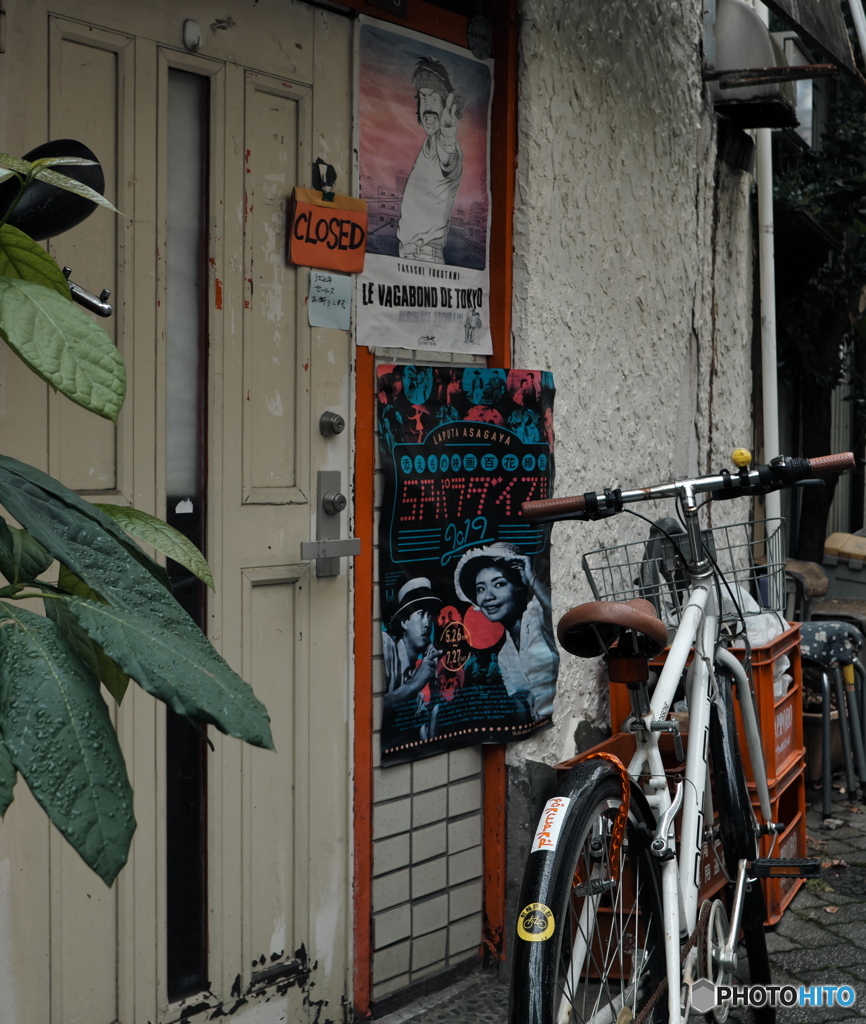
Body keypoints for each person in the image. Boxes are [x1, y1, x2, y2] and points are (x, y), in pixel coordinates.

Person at [454, 543, 559, 719]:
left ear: (519, 586)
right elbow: (522, 708)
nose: (488, 597)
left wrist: (531, 580)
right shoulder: (504, 655)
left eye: (499, 584)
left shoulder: (537, 615)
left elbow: (556, 612)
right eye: (481, 588)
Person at [397, 56, 464, 263]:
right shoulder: (426, 146)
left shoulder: (445, 146)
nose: (426, 104)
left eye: (434, 98)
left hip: (423, 257)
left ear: (446, 105)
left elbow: (447, 158)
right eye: (423, 97)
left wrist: (448, 134)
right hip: (409, 255)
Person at [381, 577, 443, 745]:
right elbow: (372, 708)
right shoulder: (386, 644)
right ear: (404, 622)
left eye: (430, 616)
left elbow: (425, 736)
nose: (427, 623)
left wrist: (434, 686)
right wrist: (415, 683)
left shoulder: (415, 678)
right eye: (421, 614)